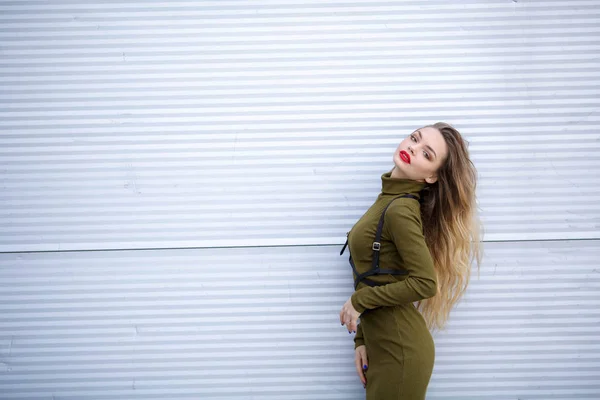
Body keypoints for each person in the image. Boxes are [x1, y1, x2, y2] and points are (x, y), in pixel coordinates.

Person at [338, 122, 483, 399]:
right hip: (383, 346)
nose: (413, 149)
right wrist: (361, 339)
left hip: (400, 352)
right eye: (414, 139)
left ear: (431, 177)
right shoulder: (387, 199)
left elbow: (424, 283)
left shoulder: (400, 209)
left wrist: (358, 303)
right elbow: (374, 277)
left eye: (427, 154)